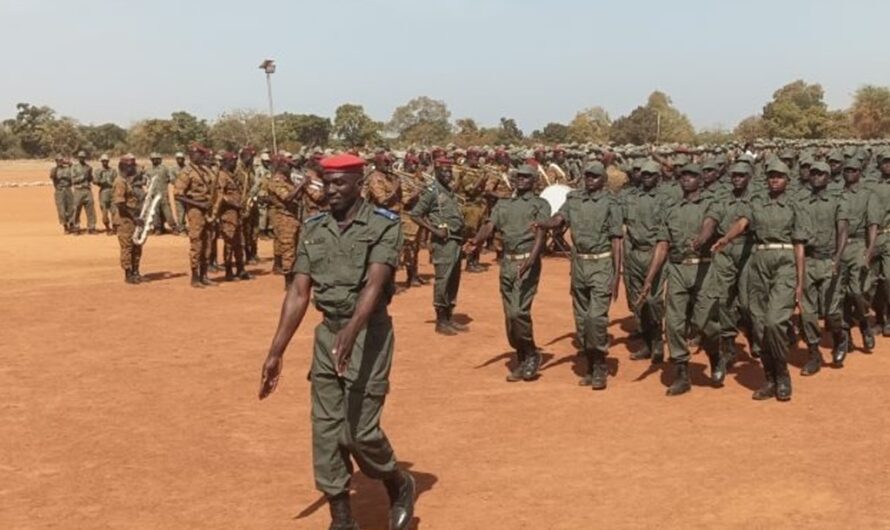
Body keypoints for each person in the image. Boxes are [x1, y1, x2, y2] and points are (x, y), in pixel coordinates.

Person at [258, 153, 415, 530]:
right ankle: (342, 518)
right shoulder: (313, 228)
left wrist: (353, 329)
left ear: (359, 184)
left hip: (369, 334)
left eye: (339, 183)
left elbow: (375, 285)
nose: (330, 190)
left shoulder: (383, 225)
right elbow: (298, 293)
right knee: (326, 429)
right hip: (328, 333)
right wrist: (275, 351)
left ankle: (398, 481)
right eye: (326, 183)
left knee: (358, 431)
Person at [713, 159, 810, 402]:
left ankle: (783, 373)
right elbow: (743, 222)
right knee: (757, 323)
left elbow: (799, 245)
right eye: (771, 176)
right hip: (759, 261)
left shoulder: (795, 204)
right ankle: (770, 378)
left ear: (788, 179)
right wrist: (726, 238)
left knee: (775, 322)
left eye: (779, 176)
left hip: (785, 260)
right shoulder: (757, 201)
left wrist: (799, 282)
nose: (774, 179)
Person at [636, 164, 723, 396]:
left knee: (705, 324)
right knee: (673, 324)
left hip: (703, 268)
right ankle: (682, 373)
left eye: (692, 175)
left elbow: (710, 224)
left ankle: (715, 357)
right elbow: (662, 245)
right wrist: (649, 279)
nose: (686, 179)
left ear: (700, 180)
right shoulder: (671, 208)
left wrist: (700, 240)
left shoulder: (710, 203)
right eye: (683, 175)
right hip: (677, 270)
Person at [535, 161, 623, 389]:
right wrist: (544, 223)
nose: (589, 179)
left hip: (602, 263)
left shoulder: (610, 202)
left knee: (596, 318)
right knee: (582, 320)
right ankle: (591, 364)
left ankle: (601, 365)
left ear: (603, 180)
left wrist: (617, 275)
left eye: (594, 176)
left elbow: (616, 240)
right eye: (587, 176)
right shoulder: (573, 199)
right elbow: (560, 219)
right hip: (579, 265)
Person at [465, 164, 550, 382]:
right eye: (517, 177)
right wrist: (476, 241)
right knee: (509, 316)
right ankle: (522, 357)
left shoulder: (540, 204)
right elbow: (490, 226)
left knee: (518, 312)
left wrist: (531, 260)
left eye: (525, 177)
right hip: (507, 263)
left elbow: (541, 235)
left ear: (534, 181)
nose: (520, 180)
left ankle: (531, 353)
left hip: (526, 262)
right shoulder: (504, 205)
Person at [796, 161, 848, 374]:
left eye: (821, 174)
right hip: (808, 261)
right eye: (814, 173)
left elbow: (842, 231)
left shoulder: (837, 200)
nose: (816, 177)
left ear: (828, 177)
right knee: (807, 313)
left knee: (832, 313)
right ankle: (814, 354)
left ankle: (840, 338)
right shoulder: (800, 202)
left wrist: (836, 259)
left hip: (829, 260)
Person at [410, 157, 466, 335]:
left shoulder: (448, 190)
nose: (448, 174)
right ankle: (440, 320)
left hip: (455, 240)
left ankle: (449, 317)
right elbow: (415, 214)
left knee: (453, 280)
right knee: (443, 280)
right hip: (443, 243)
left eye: (450, 171)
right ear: (436, 171)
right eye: (444, 171)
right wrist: (434, 230)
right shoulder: (431, 192)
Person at [622, 160, 669, 363]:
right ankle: (648, 343)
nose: (646, 177)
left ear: (658, 177)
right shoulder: (630, 198)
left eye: (651, 174)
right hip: (633, 254)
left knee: (653, 300)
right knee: (637, 302)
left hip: (654, 253)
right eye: (644, 174)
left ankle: (658, 340)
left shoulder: (666, 199)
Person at [174, 143, 216, 288]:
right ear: (193, 155)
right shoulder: (187, 172)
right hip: (196, 210)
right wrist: (199, 205)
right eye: (200, 154)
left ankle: (204, 275)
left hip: (207, 209)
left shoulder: (205, 170)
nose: (202, 156)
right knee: (197, 243)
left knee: (208, 242)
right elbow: (178, 195)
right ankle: (195, 277)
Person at [211, 151, 252, 281]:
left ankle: (240, 269)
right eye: (233, 162)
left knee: (239, 242)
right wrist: (234, 203)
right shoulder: (222, 176)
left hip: (237, 213)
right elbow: (220, 196)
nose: (235, 164)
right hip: (228, 214)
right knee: (229, 242)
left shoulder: (232, 175)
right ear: (227, 163)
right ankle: (228, 271)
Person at [267, 154, 305, 289]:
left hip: (293, 217)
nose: (291, 169)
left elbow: (297, 197)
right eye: (288, 166)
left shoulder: (287, 180)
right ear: (282, 166)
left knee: (296, 248)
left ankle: (294, 277)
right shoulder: (277, 180)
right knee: (288, 249)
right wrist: (302, 184)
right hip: (283, 217)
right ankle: (288, 281)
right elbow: (287, 197)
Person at [112, 156, 143, 284]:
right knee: (127, 247)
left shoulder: (127, 181)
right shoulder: (120, 182)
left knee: (137, 246)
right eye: (132, 167)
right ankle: (128, 273)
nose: (134, 169)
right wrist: (134, 216)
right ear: (126, 167)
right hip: (125, 220)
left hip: (133, 220)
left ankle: (136, 271)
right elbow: (120, 203)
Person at [145, 153, 179, 234]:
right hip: (153, 194)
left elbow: (172, 179)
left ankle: (173, 226)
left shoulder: (165, 169)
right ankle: (158, 228)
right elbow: (146, 180)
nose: (155, 160)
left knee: (167, 212)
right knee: (155, 212)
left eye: (157, 159)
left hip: (163, 193)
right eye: (153, 159)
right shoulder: (148, 170)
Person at [70, 150, 98, 234]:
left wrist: (95, 181)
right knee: (76, 209)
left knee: (91, 210)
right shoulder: (74, 167)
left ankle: (91, 227)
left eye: (83, 157)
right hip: (78, 190)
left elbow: (90, 178)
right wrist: (82, 177)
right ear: (78, 158)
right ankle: (76, 227)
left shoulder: (88, 168)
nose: (82, 158)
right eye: (80, 157)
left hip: (87, 190)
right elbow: (73, 180)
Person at [94, 154, 118, 235]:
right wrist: (101, 181)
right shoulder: (98, 171)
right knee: (104, 211)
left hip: (112, 191)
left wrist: (111, 184)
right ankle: (107, 227)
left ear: (108, 161)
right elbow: (95, 181)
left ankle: (115, 228)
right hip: (103, 192)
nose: (105, 162)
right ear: (101, 162)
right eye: (103, 161)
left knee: (114, 210)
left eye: (106, 161)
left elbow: (116, 181)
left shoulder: (113, 171)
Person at [50, 156, 74, 234]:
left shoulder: (68, 169)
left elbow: (74, 169)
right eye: (58, 160)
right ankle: (65, 226)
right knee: (62, 210)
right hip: (59, 191)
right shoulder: (54, 170)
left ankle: (71, 224)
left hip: (68, 190)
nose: (60, 162)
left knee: (71, 208)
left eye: (61, 160)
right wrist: (57, 166)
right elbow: (52, 176)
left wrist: (68, 163)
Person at [170, 152, 188, 231]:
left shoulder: (188, 168)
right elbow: (172, 180)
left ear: (184, 159)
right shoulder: (173, 169)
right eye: (178, 159)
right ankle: (181, 228)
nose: (180, 160)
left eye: (181, 158)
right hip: (178, 192)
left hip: (188, 193)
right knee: (180, 211)